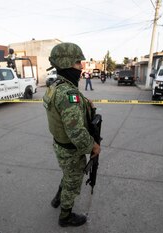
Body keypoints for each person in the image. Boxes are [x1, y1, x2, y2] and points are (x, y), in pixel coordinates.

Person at [43, 42, 101, 227]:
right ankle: (65, 216)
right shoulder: (68, 94)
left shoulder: (55, 86)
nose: (81, 66)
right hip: (70, 149)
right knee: (73, 181)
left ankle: (57, 199)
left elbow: (63, 108)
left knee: (67, 173)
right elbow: (76, 132)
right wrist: (93, 146)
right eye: (78, 62)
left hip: (59, 144)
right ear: (67, 63)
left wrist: (85, 104)